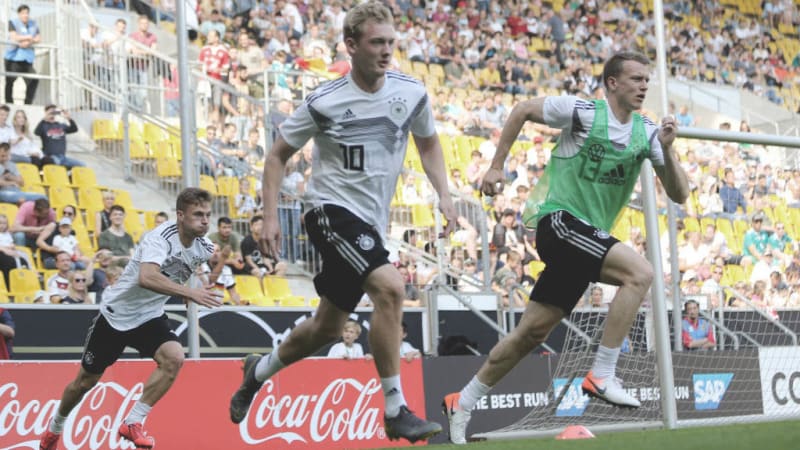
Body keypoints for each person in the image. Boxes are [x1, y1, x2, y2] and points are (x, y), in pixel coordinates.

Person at [228, 2, 455, 443]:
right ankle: (395, 408)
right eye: (376, 43)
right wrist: (270, 216)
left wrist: (443, 193)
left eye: (391, 42)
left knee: (326, 328)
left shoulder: (410, 93)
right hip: (328, 212)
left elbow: (428, 144)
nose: (387, 51)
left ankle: (257, 371)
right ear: (351, 45)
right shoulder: (325, 100)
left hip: (369, 224)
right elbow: (276, 156)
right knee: (390, 287)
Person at [443, 51, 690, 444]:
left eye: (647, 80)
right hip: (559, 222)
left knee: (531, 333)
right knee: (640, 273)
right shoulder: (583, 113)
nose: (644, 86)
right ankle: (602, 374)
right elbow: (523, 109)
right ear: (612, 83)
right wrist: (496, 165)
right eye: (636, 79)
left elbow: (680, 194)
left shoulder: (647, 131)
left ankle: (464, 400)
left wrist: (669, 149)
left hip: (584, 241)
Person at [38, 188, 223, 450]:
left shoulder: (204, 248)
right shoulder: (159, 238)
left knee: (174, 358)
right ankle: (54, 428)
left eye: (207, 215)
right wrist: (189, 292)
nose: (205, 221)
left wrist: (186, 291)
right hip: (117, 316)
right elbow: (146, 277)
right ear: (180, 216)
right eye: (198, 215)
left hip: (149, 316)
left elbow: (186, 268)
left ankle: (133, 421)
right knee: (84, 383)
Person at [4, 5, 41, 104]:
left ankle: (28, 103)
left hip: (27, 59)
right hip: (13, 58)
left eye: (27, 13)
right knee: (10, 81)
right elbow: (14, 37)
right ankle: (9, 103)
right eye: (23, 13)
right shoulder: (12, 22)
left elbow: (38, 38)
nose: (25, 15)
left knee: (33, 79)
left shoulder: (33, 24)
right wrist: (28, 37)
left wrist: (29, 41)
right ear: (19, 14)